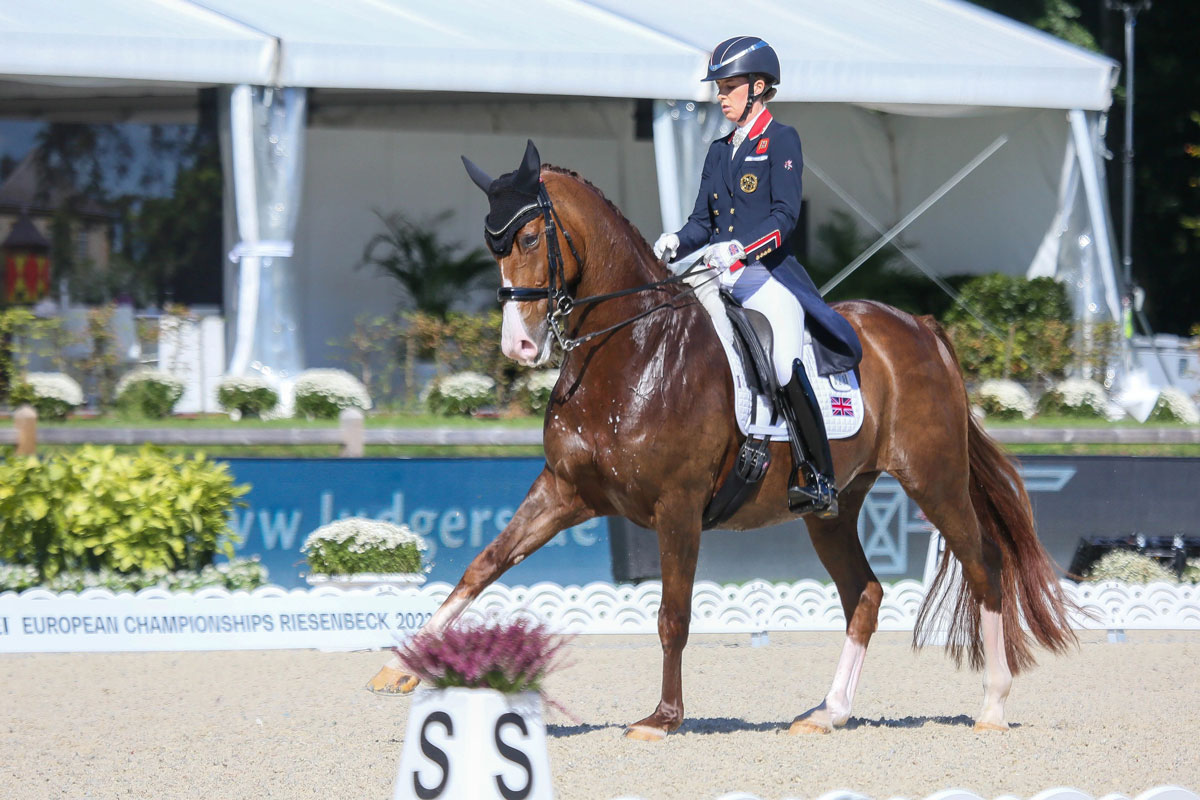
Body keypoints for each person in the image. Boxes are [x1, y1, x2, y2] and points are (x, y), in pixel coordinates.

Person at [653, 36, 862, 517]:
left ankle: (819, 477)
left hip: (768, 277)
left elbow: (785, 216)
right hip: (717, 274)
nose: (721, 96)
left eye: (729, 87)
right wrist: (675, 242)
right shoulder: (718, 151)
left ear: (759, 86)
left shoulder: (781, 140)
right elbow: (702, 224)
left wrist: (740, 249)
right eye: (719, 88)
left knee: (786, 362)